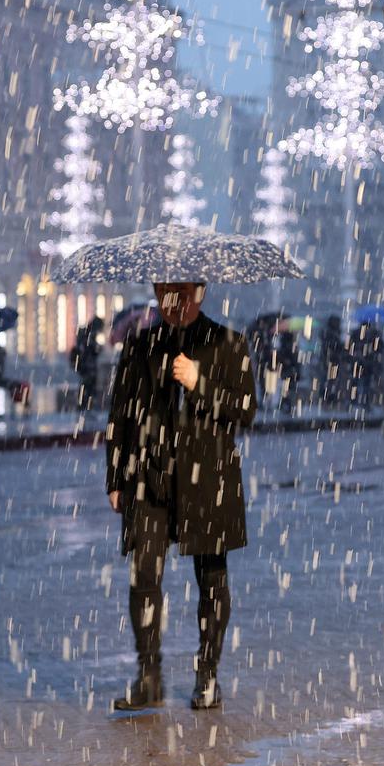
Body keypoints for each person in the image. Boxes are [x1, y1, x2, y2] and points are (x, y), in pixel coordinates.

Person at [105, 281, 256, 712]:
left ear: (200, 292)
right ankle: (148, 675)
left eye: (180, 293)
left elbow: (245, 410)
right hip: (148, 479)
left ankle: (207, 674)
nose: (171, 303)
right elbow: (119, 412)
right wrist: (116, 476)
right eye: (164, 293)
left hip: (207, 479)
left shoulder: (228, 342)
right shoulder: (141, 345)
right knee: (144, 575)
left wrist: (198, 381)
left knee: (211, 577)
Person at [70, 316, 105, 409]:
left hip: (87, 367)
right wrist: (98, 347)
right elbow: (92, 351)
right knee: (87, 388)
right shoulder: (89, 335)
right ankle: (85, 406)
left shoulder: (88, 334)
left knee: (87, 388)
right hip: (87, 367)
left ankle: (85, 406)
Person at [320, 315, 348, 408]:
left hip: (330, 360)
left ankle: (329, 399)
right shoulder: (331, 333)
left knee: (330, 381)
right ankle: (329, 399)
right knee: (330, 381)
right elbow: (334, 346)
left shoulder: (329, 333)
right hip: (332, 360)